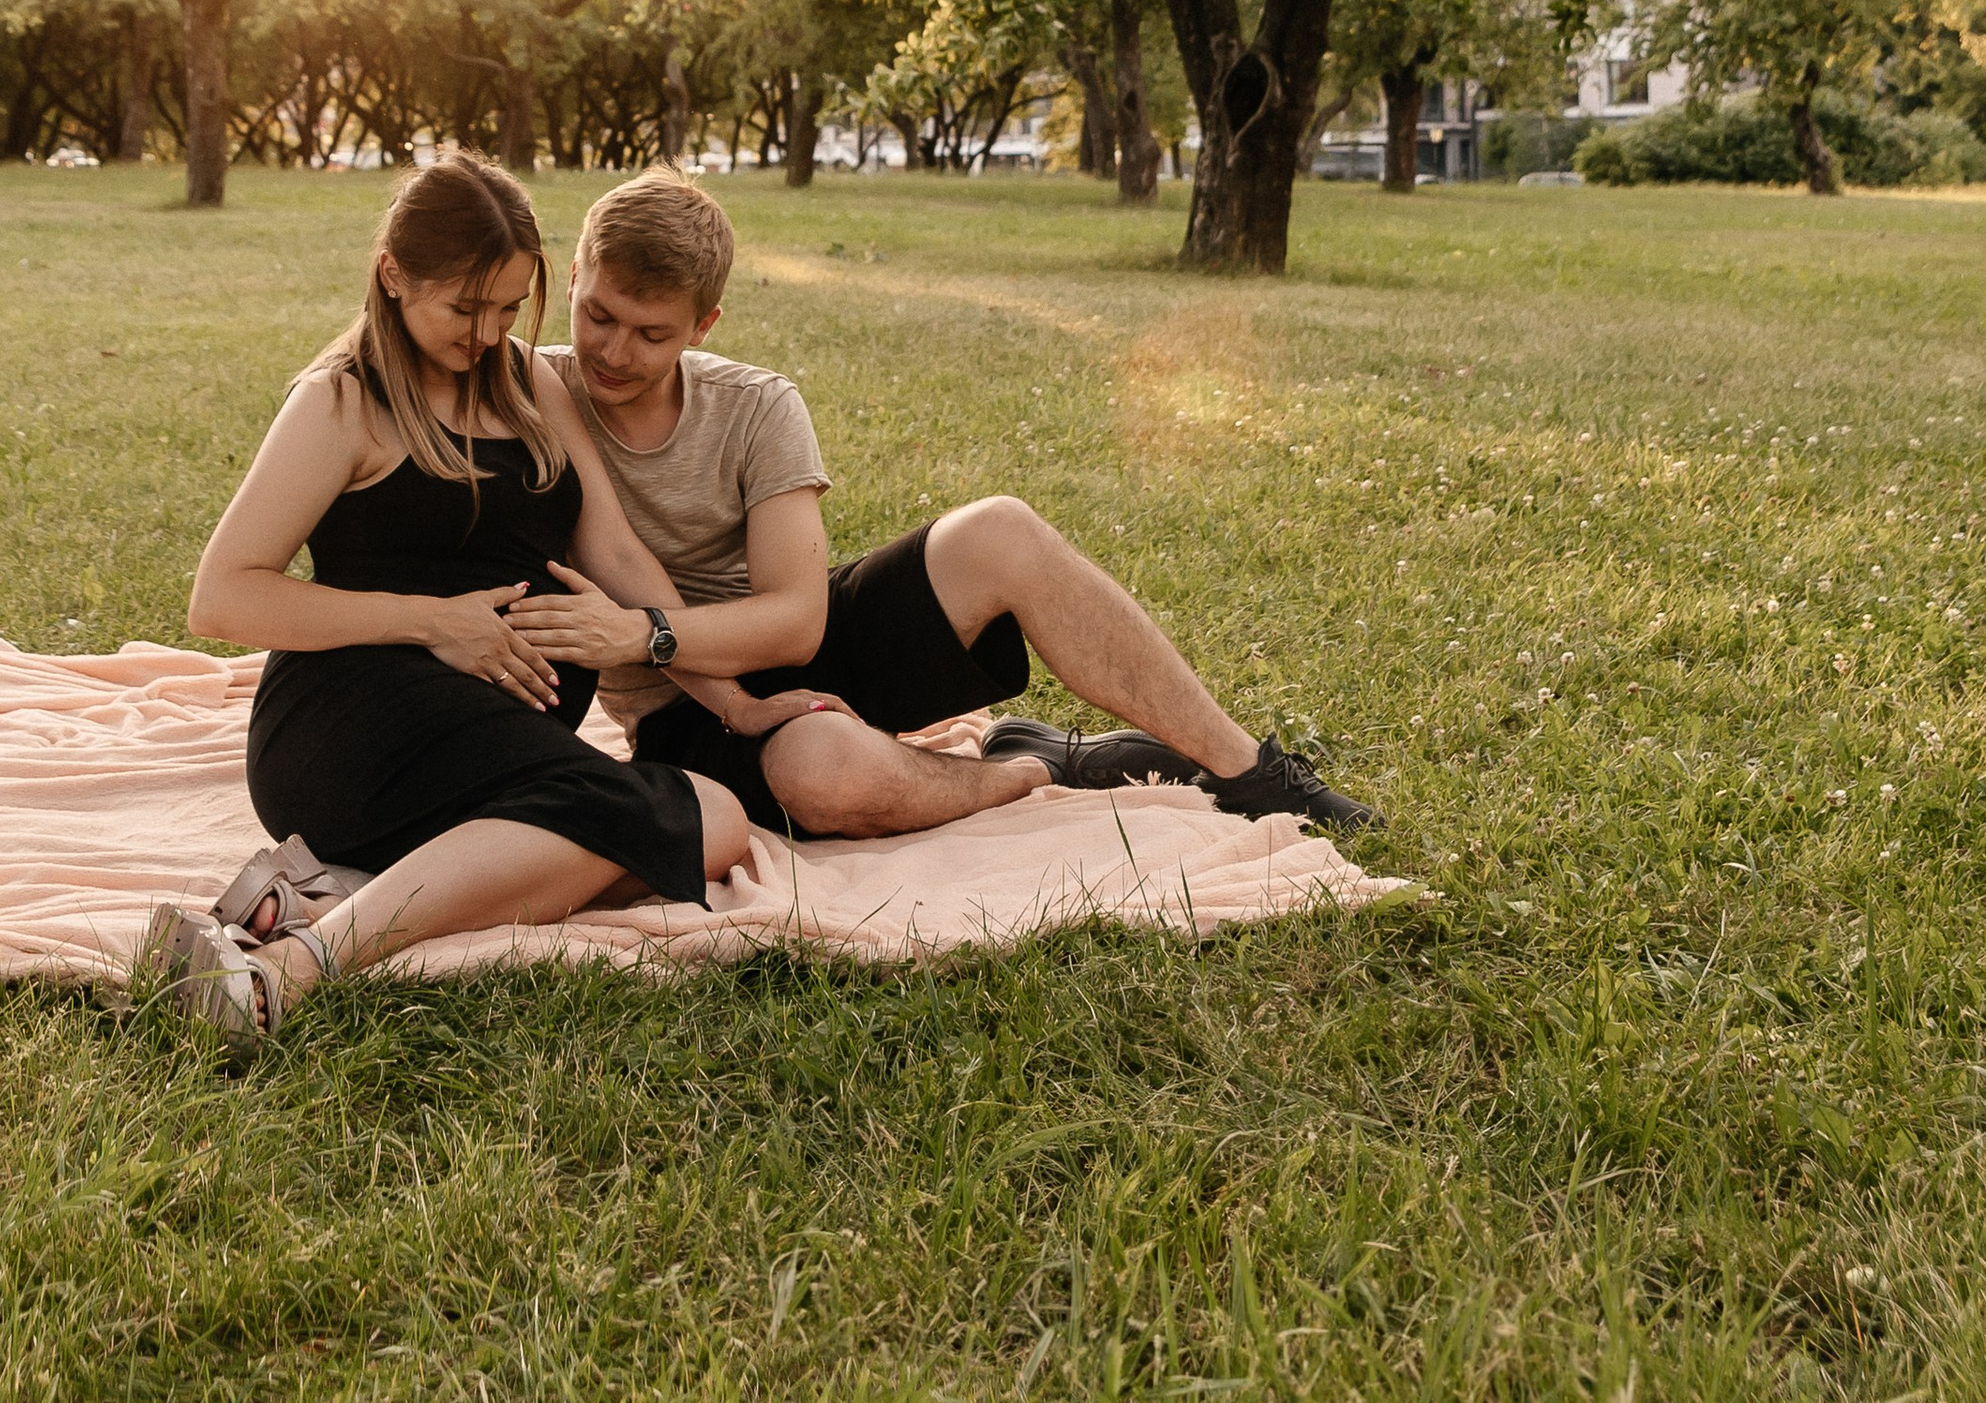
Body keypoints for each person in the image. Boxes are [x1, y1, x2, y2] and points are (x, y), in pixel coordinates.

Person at [146, 156, 817, 1061]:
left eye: (509, 307)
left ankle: (318, 895)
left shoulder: (525, 382)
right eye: (466, 309)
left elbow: (614, 554)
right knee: (689, 819)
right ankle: (295, 971)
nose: (489, 331)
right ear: (393, 273)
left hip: (491, 744)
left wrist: (729, 699)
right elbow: (222, 595)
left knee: (703, 810)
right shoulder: (341, 401)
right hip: (355, 724)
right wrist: (431, 621)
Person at [508, 166, 1378, 846]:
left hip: (774, 645)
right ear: (576, 273)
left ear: (705, 324)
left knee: (1000, 528)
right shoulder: (533, 387)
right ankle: (1029, 770)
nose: (614, 352)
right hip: (680, 710)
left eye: (652, 333)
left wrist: (645, 629)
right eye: (598, 315)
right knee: (826, 777)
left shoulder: (757, 406)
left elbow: (798, 624)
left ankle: (1249, 768)